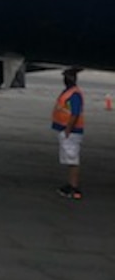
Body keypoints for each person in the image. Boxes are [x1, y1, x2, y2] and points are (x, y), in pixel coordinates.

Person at [52, 67, 84, 199]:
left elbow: (75, 114)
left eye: (67, 76)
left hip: (71, 132)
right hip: (67, 130)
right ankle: (71, 185)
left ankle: (74, 188)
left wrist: (67, 130)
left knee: (72, 160)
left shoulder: (74, 94)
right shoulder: (69, 92)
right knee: (69, 159)